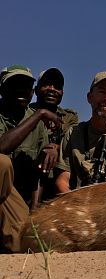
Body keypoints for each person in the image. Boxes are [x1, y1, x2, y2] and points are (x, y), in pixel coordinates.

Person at [0, 65, 61, 206]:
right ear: (2, 89)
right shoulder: (37, 117)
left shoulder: (38, 124)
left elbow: (40, 172)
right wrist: (40, 114)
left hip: (14, 197)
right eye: (14, 85)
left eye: (26, 86)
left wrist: (35, 209)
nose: (21, 90)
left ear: (32, 92)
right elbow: (2, 147)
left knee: (25, 226)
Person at [29, 68, 79, 201]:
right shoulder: (26, 113)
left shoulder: (69, 117)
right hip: (27, 178)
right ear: (36, 89)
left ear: (62, 92)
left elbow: (72, 141)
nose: (52, 89)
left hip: (55, 180)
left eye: (57, 87)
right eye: (47, 84)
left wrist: (56, 148)